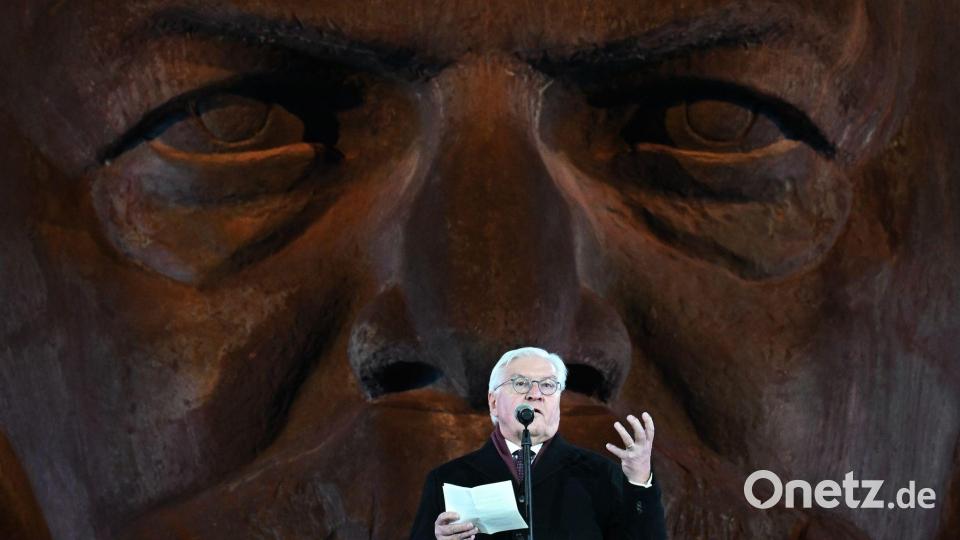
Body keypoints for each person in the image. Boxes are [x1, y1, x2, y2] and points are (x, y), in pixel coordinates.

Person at [410, 347, 665, 539]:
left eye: (548, 385)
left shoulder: (600, 474)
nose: (535, 394)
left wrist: (639, 481)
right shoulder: (448, 480)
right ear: (493, 402)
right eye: (520, 383)